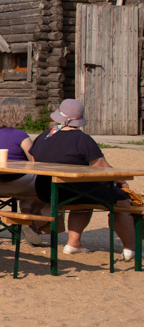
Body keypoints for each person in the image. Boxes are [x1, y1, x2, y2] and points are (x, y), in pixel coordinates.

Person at [29, 99, 137, 260]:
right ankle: (131, 249)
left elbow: (32, 160)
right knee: (121, 199)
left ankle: (74, 243)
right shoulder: (82, 140)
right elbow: (103, 167)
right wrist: (122, 182)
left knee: (84, 198)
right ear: (79, 119)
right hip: (72, 190)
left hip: (45, 190)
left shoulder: (44, 136)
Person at [0, 97, 48, 245]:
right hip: (19, 181)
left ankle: (25, 217)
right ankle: (34, 222)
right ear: (16, 113)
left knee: (28, 190)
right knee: (52, 187)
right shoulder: (20, 135)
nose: (25, 115)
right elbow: (35, 161)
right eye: (23, 112)